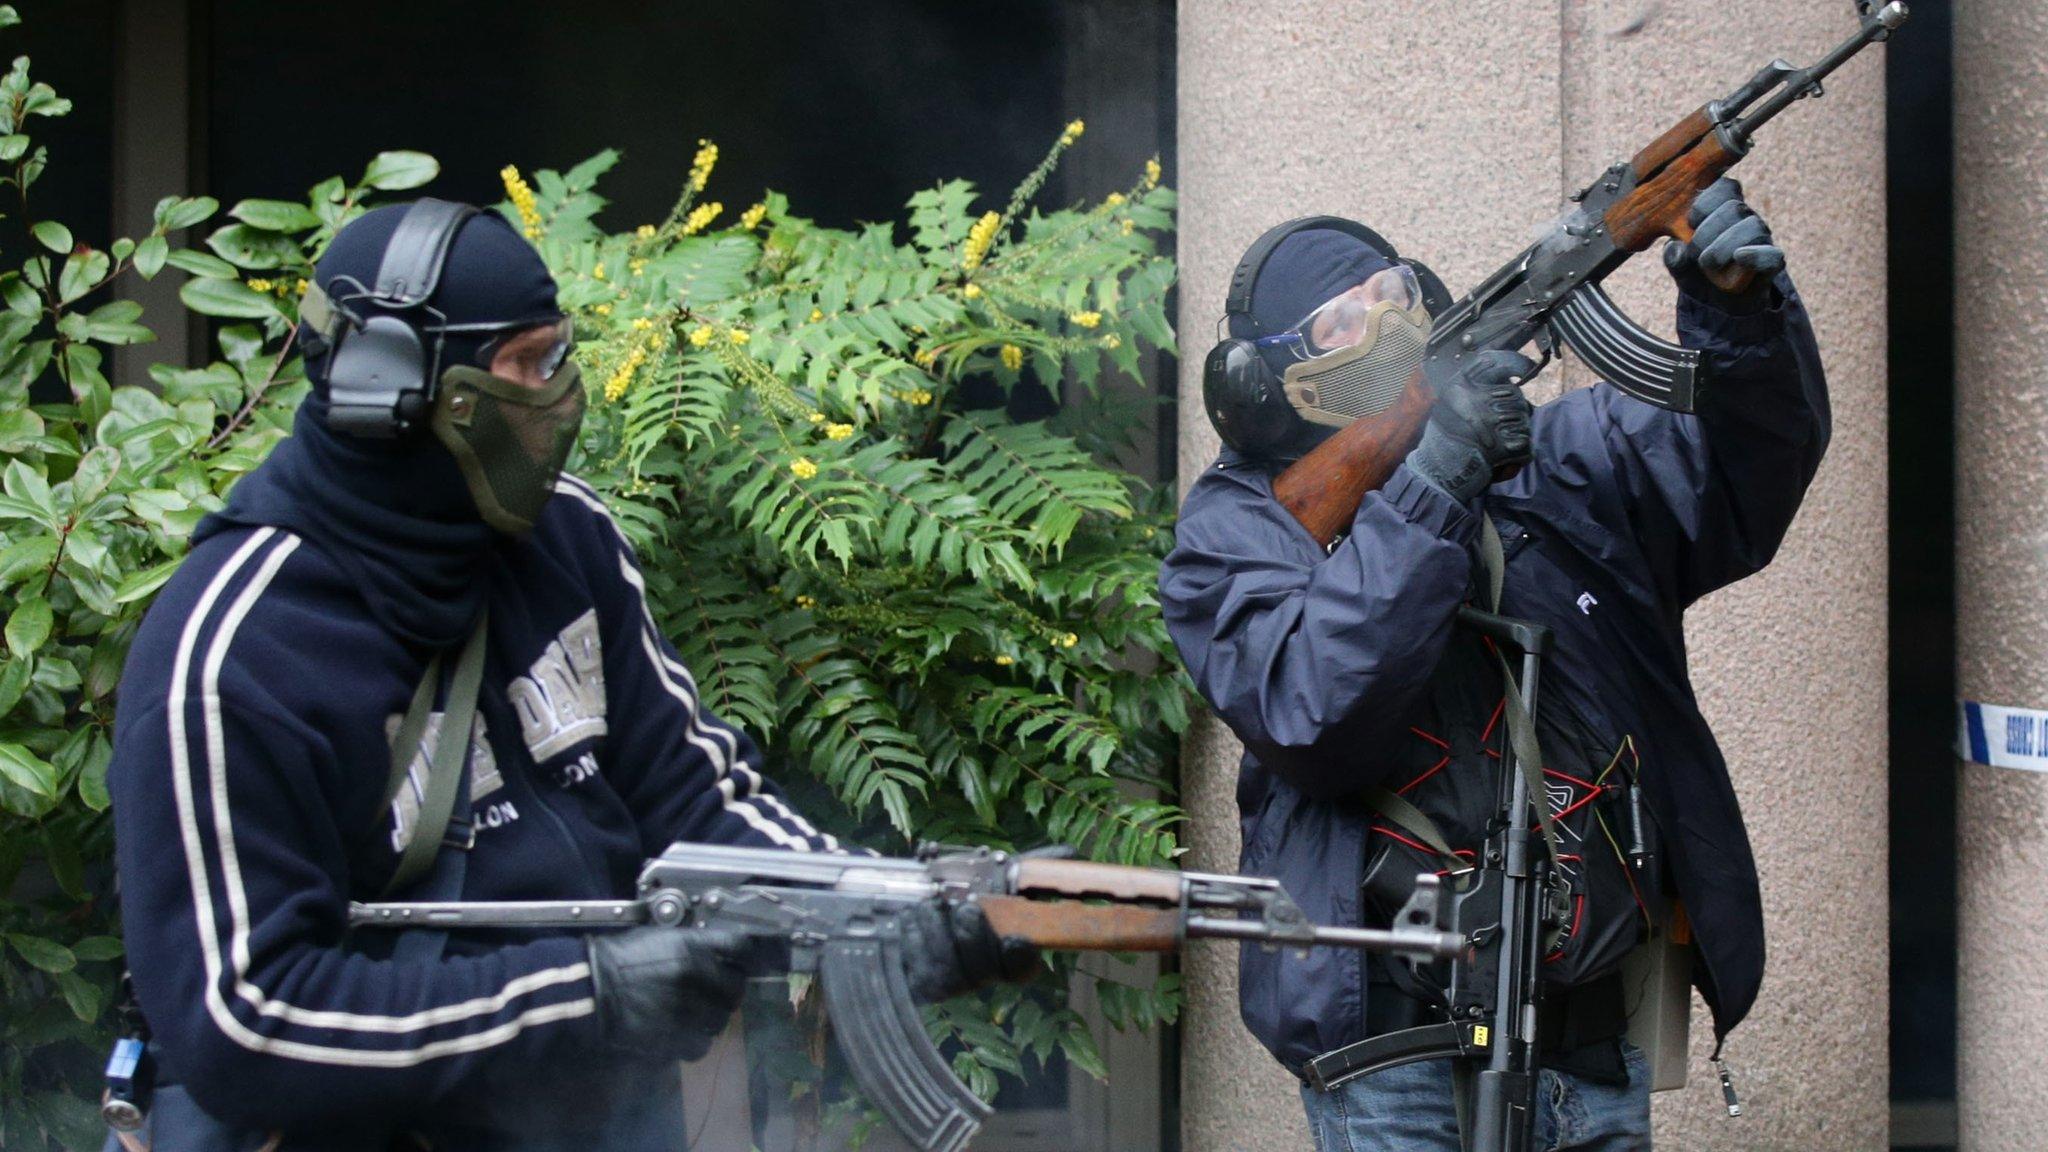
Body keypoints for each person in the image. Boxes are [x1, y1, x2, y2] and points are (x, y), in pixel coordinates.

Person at [106, 200, 1026, 1151]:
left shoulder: (568, 539)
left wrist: (883, 907)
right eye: (528, 365)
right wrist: (586, 992)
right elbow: (246, 1023)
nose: (563, 395)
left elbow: (697, 802)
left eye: (561, 358)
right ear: (402, 394)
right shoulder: (232, 655)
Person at [1159, 178, 1828, 1152]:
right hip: (1394, 1058)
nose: (1382, 324)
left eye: (1393, 294)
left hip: (1594, 1042)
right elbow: (1316, 715)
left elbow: (1738, 478)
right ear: (1265, 384)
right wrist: (1431, 482)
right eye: (1340, 321)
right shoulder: (1236, 537)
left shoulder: (1551, 462)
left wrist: (1735, 318)